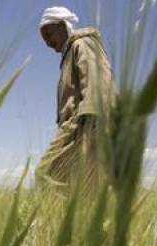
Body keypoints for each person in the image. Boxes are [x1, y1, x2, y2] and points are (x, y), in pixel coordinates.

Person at [35, 6, 116, 191]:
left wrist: (91, 120)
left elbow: (98, 79)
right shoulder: (70, 54)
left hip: (82, 123)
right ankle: (84, 218)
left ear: (62, 25)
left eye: (48, 33)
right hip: (77, 124)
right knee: (84, 185)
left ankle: (63, 219)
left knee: (45, 173)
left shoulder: (83, 43)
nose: (47, 42)